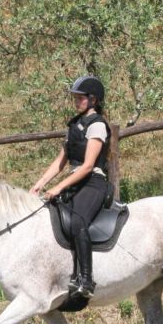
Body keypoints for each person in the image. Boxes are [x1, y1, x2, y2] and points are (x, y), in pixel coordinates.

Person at [30, 75, 111, 298]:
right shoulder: (75, 125)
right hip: (75, 183)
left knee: (77, 221)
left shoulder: (98, 126)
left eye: (80, 98)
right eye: (75, 98)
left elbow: (86, 167)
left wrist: (58, 188)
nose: (76, 101)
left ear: (93, 100)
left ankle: (86, 279)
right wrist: (39, 184)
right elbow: (60, 162)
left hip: (93, 182)